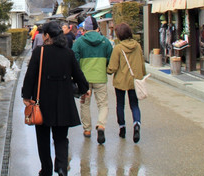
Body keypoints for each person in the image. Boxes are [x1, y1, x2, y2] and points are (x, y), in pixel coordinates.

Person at [22, 21, 89, 176]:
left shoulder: (40, 52)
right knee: (61, 138)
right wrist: (85, 90)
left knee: (43, 139)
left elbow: (30, 75)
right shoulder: (68, 53)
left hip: (42, 101)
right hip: (64, 102)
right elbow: (79, 75)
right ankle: (61, 167)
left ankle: (46, 170)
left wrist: (26, 96)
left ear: (46, 36)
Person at [72, 16, 113, 144]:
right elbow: (109, 58)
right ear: (97, 28)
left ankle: (87, 129)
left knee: (85, 104)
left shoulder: (79, 42)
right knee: (103, 104)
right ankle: (101, 125)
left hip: (84, 79)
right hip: (100, 77)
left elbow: (74, 60)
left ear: (84, 29)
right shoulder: (105, 42)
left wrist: (77, 76)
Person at [106, 23, 147, 143]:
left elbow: (113, 67)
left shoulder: (118, 48)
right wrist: (142, 75)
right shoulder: (137, 46)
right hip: (135, 81)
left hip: (121, 81)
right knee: (134, 104)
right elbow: (142, 62)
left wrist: (107, 71)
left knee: (120, 105)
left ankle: (122, 128)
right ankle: (136, 124)